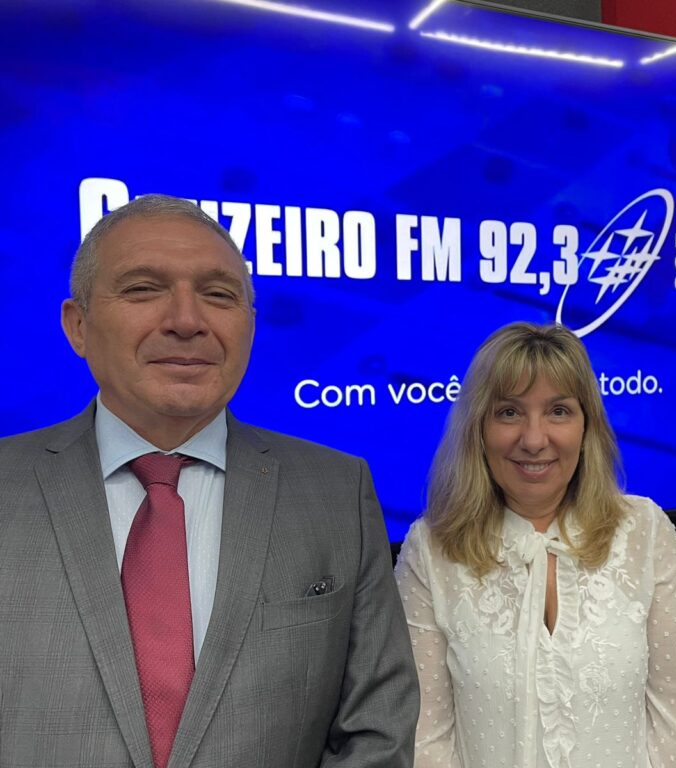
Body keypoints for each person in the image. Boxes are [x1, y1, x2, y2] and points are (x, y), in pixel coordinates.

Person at [0, 195, 418, 767]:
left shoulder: (337, 492)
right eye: (143, 289)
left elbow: (377, 729)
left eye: (219, 295)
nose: (187, 321)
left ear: (251, 323)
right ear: (78, 325)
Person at [394, 321, 676, 768]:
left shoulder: (646, 530)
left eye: (558, 411)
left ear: (587, 426)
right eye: (509, 413)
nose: (534, 439)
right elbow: (424, 740)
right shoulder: (429, 549)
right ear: (478, 428)